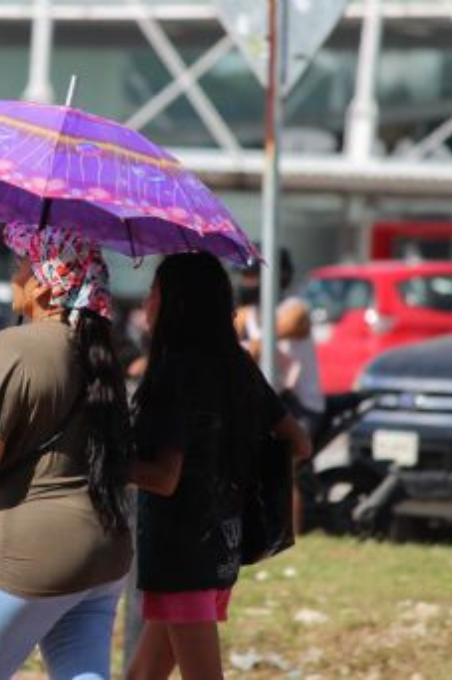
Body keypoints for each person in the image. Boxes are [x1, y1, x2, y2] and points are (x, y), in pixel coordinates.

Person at [0, 221, 133, 680]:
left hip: (30, 553)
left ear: (46, 283)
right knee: (82, 672)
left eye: (22, 262)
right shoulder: (101, 355)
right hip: (106, 550)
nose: (14, 274)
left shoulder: (16, 344)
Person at [126, 252, 311, 680]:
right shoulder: (237, 365)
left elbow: (163, 477)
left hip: (180, 551)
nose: (146, 304)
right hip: (221, 546)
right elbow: (297, 443)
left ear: (174, 304)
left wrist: (97, 461)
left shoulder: (172, 373)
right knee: (141, 676)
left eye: (153, 292)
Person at [233, 248, 325, 533]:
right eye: (244, 274)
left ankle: (289, 535)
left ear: (278, 277)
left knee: (284, 464)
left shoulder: (294, 309)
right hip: (267, 401)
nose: (247, 281)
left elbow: (279, 332)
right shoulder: (248, 313)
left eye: (253, 275)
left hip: (299, 404)